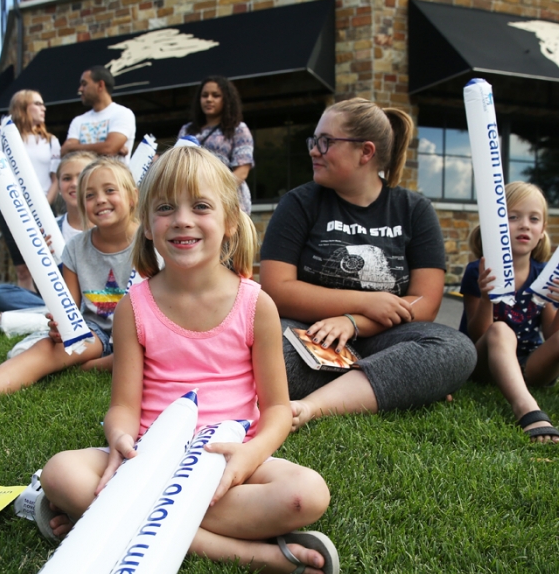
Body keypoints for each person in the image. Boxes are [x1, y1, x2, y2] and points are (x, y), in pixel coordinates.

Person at [36, 146, 338, 574]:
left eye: (200, 206)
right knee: (60, 472)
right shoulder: (133, 308)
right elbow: (123, 405)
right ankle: (249, 555)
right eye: (164, 208)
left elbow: (276, 410)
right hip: (149, 461)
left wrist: (250, 455)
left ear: (230, 221)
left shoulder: (257, 305)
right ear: (147, 227)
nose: (181, 219)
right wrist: (119, 435)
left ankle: (106, 524)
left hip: (227, 465)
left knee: (307, 494)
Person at [259, 98, 477, 430]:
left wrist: (354, 322)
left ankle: (314, 406)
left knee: (455, 348)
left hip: (384, 335)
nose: (314, 151)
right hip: (307, 333)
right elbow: (276, 289)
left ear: (366, 152)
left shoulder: (414, 209)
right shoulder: (299, 204)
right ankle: (392, 383)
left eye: (326, 142)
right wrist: (365, 301)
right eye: (313, 141)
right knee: (268, 354)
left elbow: (426, 303)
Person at [0, 158, 142, 415]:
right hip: (95, 332)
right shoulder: (75, 248)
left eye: (110, 190)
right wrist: (62, 327)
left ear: (132, 196)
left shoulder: (150, 242)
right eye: (90, 195)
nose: (100, 200)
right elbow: (69, 310)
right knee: (47, 348)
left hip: (141, 333)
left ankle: (99, 364)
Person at [460, 182, 559, 443]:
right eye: (512, 217)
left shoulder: (542, 274)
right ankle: (526, 408)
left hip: (530, 367)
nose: (524, 224)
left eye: (533, 218)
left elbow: (552, 336)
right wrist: (486, 297)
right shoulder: (478, 270)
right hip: (483, 363)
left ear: (542, 231)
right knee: (501, 330)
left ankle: (523, 389)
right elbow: (478, 332)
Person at [0, 151, 96, 314]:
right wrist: (39, 257)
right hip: (59, 300)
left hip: (100, 298)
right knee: (0, 295)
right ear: (58, 186)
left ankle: (43, 317)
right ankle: (59, 315)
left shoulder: (106, 226)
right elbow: (42, 284)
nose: (74, 183)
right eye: (67, 178)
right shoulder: (48, 227)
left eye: (81, 176)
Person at [0, 89, 62, 293]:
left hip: (43, 209)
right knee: (23, 269)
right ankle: (28, 311)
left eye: (43, 104)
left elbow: (55, 178)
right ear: (22, 107)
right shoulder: (1, 139)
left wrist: (43, 205)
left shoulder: (50, 141)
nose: (43, 108)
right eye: (37, 104)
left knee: (47, 264)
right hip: (12, 210)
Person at [178, 76, 254, 215]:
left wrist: (213, 192)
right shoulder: (187, 130)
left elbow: (242, 172)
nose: (209, 99)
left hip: (227, 198)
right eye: (204, 95)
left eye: (216, 95)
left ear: (227, 99)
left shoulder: (238, 129)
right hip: (190, 198)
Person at [61, 66, 135, 164]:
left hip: (113, 178)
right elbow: (64, 151)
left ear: (100, 85)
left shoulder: (123, 113)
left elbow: (109, 149)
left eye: (84, 84)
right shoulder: (78, 120)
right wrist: (104, 147)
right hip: (84, 179)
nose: (80, 89)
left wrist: (74, 148)